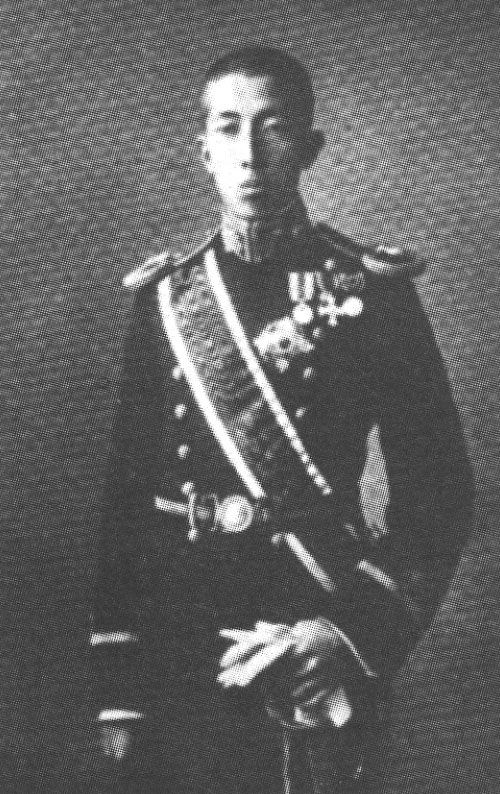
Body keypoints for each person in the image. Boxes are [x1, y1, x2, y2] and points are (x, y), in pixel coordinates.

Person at [90, 45, 474, 793]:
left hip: (307, 634)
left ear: (310, 146)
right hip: (178, 647)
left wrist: (347, 633)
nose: (250, 152)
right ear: (203, 149)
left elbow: (440, 494)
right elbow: (126, 505)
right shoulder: (166, 301)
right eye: (228, 127)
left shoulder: (373, 292)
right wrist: (119, 691)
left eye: (273, 127)